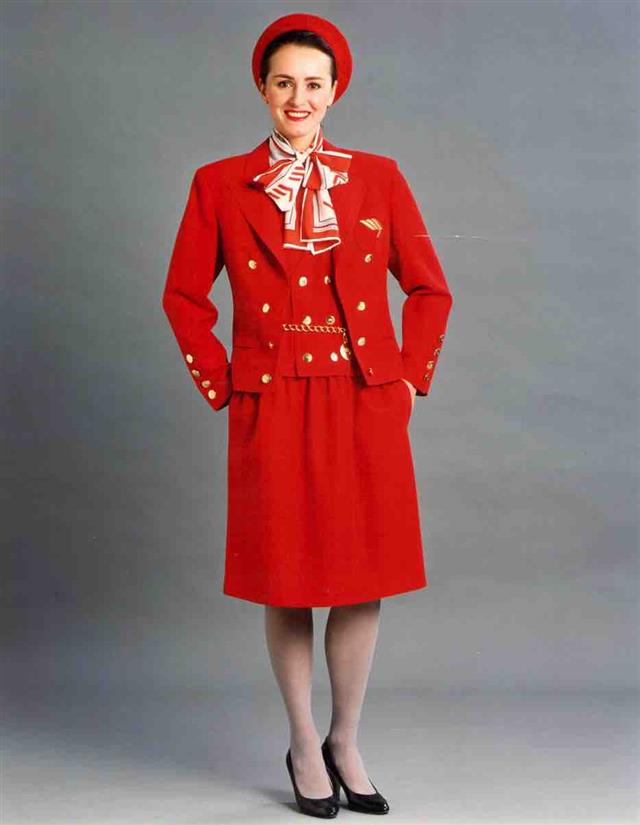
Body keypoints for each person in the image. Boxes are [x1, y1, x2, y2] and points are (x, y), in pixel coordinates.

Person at [162, 12, 453, 818]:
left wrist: (407, 378)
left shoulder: (379, 178)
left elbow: (430, 288)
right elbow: (183, 296)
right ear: (262, 88)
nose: (299, 97)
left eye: (313, 84)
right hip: (275, 395)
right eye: (284, 81)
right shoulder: (219, 183)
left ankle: (345, 740)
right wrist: (226, 383)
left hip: (362, 396)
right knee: (286, 579)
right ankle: (300, 742)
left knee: (362, 579)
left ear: (335, 91)